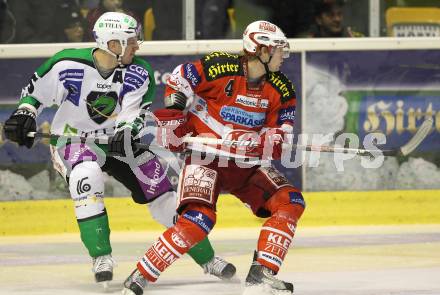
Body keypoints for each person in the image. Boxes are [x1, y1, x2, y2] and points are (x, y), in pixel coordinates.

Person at [3, 11, 235, 289]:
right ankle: (101, 256)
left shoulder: (139, 72)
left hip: (120, 143)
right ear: (113, 44)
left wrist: (125, 133)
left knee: (162, 194)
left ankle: (207, 258)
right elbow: (35, 93)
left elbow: (132, 114)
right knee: (86, 177)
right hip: (74, 141)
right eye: (132, 41)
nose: (138, 46)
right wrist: (25, 113)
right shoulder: (67, 62)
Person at [121, 20, 306, 295]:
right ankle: (141, 275)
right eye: (278, 50)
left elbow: (280, 132)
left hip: (247, 166)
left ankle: (262, 274)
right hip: (206, 158)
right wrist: (174, 114)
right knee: (197, 220)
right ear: (261, 50)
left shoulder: (282, 88)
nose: (283, 55)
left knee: (290, 202)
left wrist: (272, 140)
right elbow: (180, 78)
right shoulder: (220, 66)